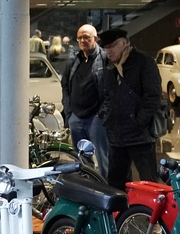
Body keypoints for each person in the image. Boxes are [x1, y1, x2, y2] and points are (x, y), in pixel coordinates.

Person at [98, 28, 163, 187]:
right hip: (116, 135)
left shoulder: (144, 61)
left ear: (125, 43)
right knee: (115, 183)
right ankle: (122, 212)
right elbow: (107, 95)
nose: (108, 51)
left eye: (112, 46)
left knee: (149, 182)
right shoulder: (109, 66)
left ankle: (149, 212)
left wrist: (138, 121)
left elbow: (153, 96)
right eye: (106, 48)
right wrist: (107, 118)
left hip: (140, 135)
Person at [60, 24, 109, 173]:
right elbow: (65, 86)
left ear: (95, 38)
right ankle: (88, 188)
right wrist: (69, 113)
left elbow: (110, 89)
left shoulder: (105, 59)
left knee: (103, 159)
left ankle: (106, 191)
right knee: (81, 159)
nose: (82, 40)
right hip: (77, 118)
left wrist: (102, 114)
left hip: (96, 118)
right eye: (80, 37)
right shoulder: (74, 60)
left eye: (86, 37)